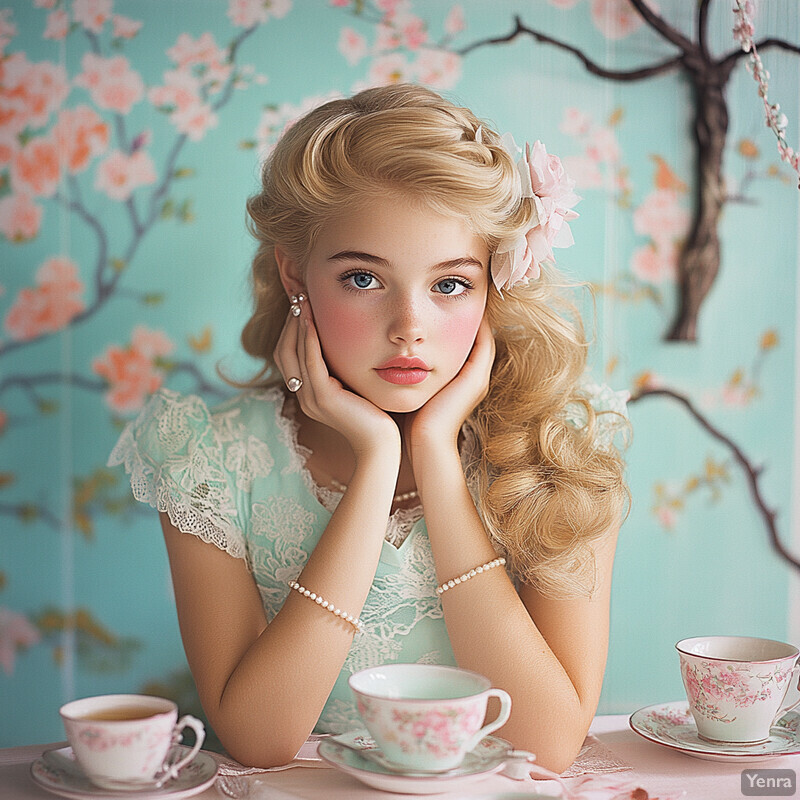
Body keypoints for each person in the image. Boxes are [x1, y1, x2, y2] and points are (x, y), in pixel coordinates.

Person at [108, 83, 629, 773]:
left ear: (494, 286)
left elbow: (548, 744)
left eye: (450, 284)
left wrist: (438, 462)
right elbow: (258, 740)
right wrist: (378, 458)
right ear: (295, 271)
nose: (409, 327)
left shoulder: (558, 450)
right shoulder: (206, 458)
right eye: (363, 278)